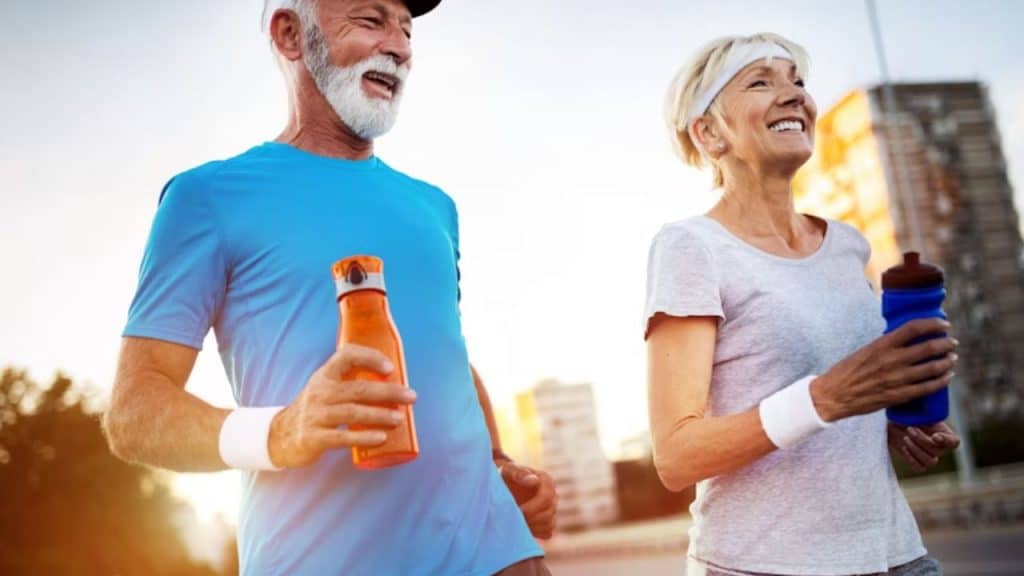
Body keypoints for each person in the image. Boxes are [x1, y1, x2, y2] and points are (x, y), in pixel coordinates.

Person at [102, 1, 556, 574]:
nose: (399, 45)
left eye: (406, 28)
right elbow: (134, 413)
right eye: (370, 20)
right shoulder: (206, 198)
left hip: (501, 560)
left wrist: (498, 462)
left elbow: (444, 357)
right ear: (291, 35)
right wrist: (281, 431)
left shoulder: (435, 207)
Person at [646, 32, 961, 576]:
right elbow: (677, 456)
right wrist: (828, 398)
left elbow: (828, 405)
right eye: (760, 82)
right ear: (709, 133)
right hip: (764, 564)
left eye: (797, 81)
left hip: (895, 554)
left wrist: (890, 422)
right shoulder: (692, 247)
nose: (793, 95)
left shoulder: (847, 245)